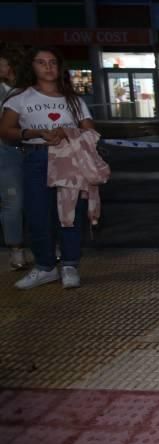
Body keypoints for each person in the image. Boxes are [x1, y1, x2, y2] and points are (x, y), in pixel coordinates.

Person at [0, 46, 96, 289]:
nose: (48, 67)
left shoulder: (73, 100)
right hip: (36, 157)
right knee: (37, 214)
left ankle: (70, 265)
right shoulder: (20, 99)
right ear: (31, 67)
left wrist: (66, 132)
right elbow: (5, 130)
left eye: (53, 62)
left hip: (69, 158)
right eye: (41, 62)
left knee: (70, 213)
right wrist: (32, 133)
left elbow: (90, 130)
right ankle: (45, 267)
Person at [0, 48, 26, 270]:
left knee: (42, 201)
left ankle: (47, 245)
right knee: (13, 202)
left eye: (4, 63)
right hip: (6, 154)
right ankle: (16, 249)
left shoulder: (30, 92)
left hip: (34, 151)